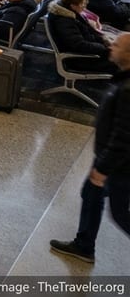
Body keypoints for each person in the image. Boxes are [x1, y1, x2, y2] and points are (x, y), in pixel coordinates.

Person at [49, 32, 130, 263]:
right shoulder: (122, 77)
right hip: (108, 156)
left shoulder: (127, 88)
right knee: (91, 195)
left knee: (121, 213)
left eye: (116, 45)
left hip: (118, 163)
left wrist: (103, 168)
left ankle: (84, 245)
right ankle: (84, 246)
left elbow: (124, 135)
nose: (110, 47)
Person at [46, 0, 119, 75]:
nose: (84, 7)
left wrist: (103, 41)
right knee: (122, 60)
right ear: (73, 5)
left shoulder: (71, 14)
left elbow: (86, 34)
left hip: (87, 51)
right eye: (82, 4)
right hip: (79, 59)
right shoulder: (64, 21)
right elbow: (78, 45)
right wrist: (104, 48)